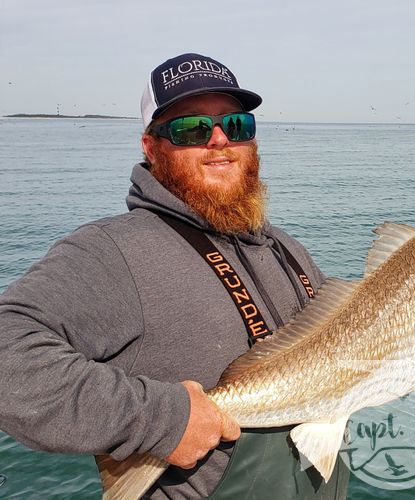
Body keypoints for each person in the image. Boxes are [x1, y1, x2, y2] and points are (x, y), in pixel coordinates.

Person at [0, 53, 349, 498]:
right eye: (191, 129)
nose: (220, 141)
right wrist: (159, 419)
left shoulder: (287, 249)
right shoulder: (113, 251)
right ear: (151, 147)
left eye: (237, 125)